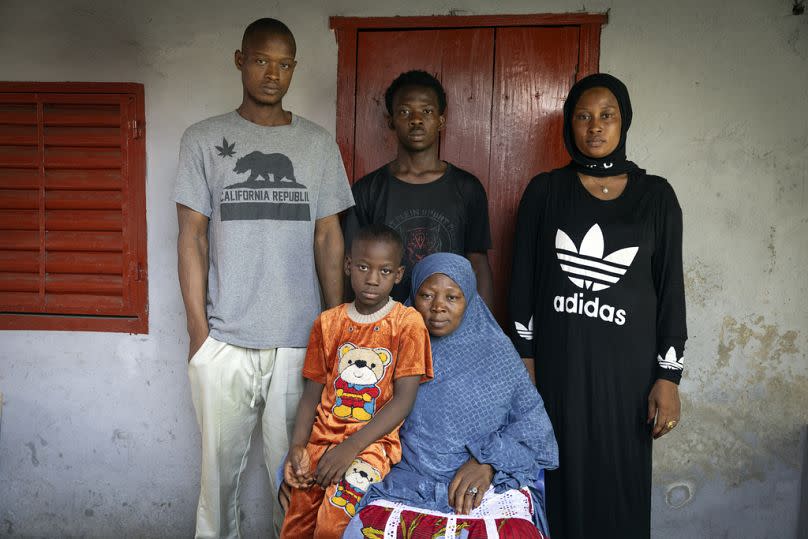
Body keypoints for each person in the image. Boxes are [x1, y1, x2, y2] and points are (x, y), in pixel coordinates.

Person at [174, 17, 354, 539]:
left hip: (299, 342)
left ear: (294, 68)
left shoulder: (316, 145)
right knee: (218, 483)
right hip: (225, 340)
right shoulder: (205, 140)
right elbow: (191, 237)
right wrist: (197, 334)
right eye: (261, 60)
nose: (272, 73)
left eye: (284, 64)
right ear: (239, 60)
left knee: (296, 478)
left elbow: (329, 239)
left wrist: (332, 327)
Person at [508, 73, 687, 539]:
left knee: (620, 486)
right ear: (569, 124)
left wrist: (668, 377)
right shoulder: (545, 191)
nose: (594, 127)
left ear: (623, 121)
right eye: (583, 116)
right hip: (558, 371)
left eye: (607, 116)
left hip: (628, 380)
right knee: (555, 479)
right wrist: (524, 358)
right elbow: (522, 279)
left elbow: (671, 291)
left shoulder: (657, 197)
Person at [344, 252, 558, 538]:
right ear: (413, 295)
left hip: (482, 487)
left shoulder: (498, 352)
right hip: (403, 480)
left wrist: (488, 463)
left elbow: (536, 435)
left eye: (452, 297)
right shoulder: (393, 347)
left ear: (468, 299)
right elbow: (352, 406)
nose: (438, 308)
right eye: (427, 296)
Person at [280, 224, 433, 538]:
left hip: (371, 446)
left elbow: (404, 402)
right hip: (322, 440)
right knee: (296, 525)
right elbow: (311, 394)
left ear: (399, 274)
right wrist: (297, 447)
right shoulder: (328, 322)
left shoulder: (407, 323)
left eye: (385, 270)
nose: (372, 278)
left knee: (332, 522)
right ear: (348, 265)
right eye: (363, 267)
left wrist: (349, 448)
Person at [344, 70, 494, 306]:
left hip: (447, 327)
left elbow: (478, 264)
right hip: (385, 327)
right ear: (391, 121)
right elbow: (353, 265)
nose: (416, 119)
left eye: (426, 111)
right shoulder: (368, 190)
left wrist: (483, 326)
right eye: (405, 111)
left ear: (440, 121)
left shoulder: (467, 188)